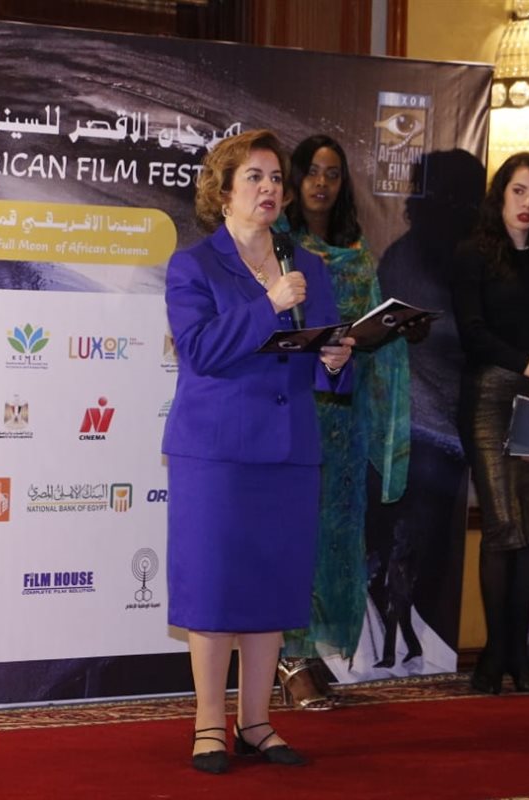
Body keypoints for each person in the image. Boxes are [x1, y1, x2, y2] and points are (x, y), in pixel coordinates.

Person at [162, 129, 354, 773]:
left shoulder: (309, 267)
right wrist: (269, 304)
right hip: (216, 453)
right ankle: (208, 724)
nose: (270, 188)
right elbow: (200, 351)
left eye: (276, 178)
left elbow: (327, 362)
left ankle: (256, 721)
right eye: (255, 177)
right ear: (223, 192)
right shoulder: (193, 265)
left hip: (289, 449)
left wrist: (336, 360)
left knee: (271, 586)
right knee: (216, 587)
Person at [276, 134, 417, 708]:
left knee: (335, 541)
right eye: (311, 171)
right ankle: (288, 656)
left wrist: (392, 331)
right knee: (295, 536)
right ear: (294, 179)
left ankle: (312, 652)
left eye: (332, 174)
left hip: (345, 421)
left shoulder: (358, 255)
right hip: (294, 415)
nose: (321, 183)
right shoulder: (279, 247)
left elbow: (369, 335)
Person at [452, 152, 529, 695]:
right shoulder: (473, 254)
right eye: (519, 191)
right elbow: (474, 333)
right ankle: (493, 656)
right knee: (502, 524)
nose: (528, 204)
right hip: (490, 396)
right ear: (501, 194)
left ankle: (518, 658)